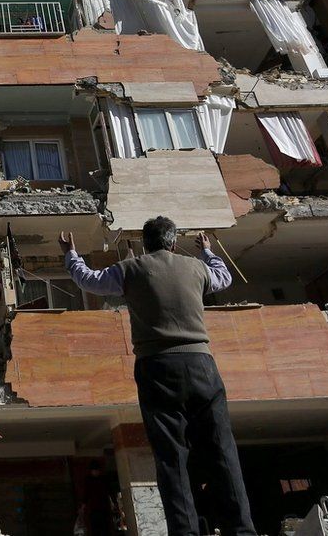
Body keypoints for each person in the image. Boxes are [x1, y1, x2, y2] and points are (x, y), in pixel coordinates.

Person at [58, 217, 256, 536]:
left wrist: (71, 254)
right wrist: (207, 251)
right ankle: (241, 530)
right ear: (174, 243)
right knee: (222, 450)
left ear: (145, 244)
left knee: (171, 457)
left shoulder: (132, 269)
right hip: (201, 364)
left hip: (157, 368)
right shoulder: (194, 267)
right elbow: (224, 277)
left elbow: (89, 280)